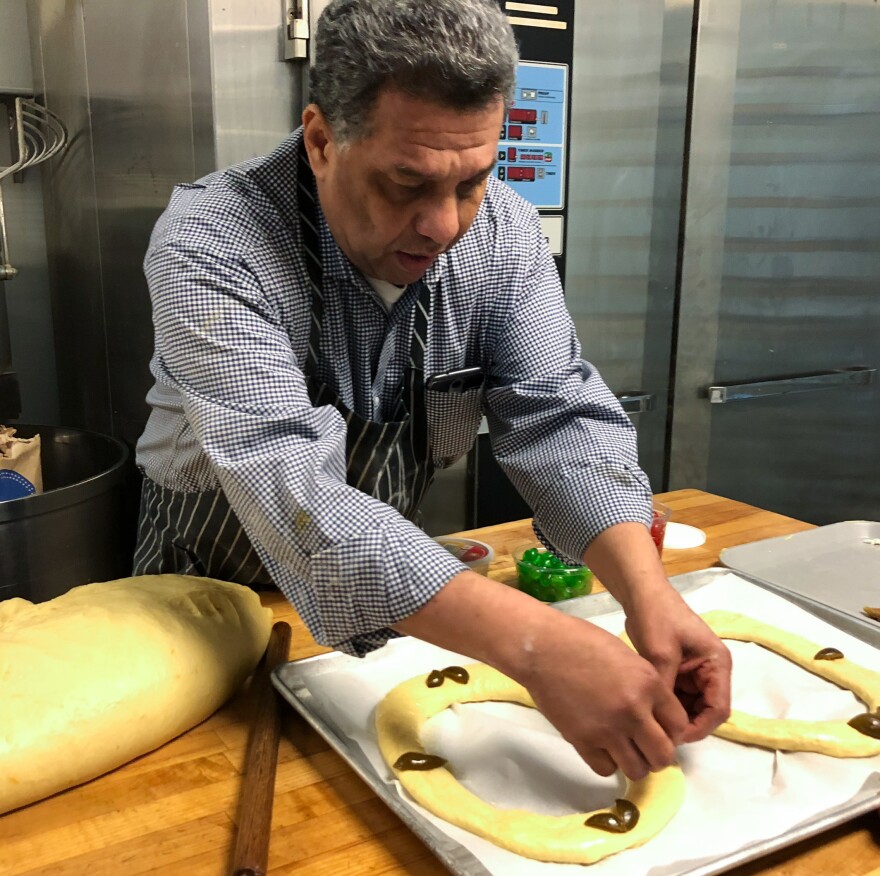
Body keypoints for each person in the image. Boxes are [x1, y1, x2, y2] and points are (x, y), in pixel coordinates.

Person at [133, 0, 731, 781]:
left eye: (473, 181)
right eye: (405, 183)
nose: (444, 225)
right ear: (321, 140)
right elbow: (287, 483)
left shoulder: (503, 235)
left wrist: (650, 598)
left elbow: (557, 417)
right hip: (203, 610)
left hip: (400, 600)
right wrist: (534, 644)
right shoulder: (213, 243)